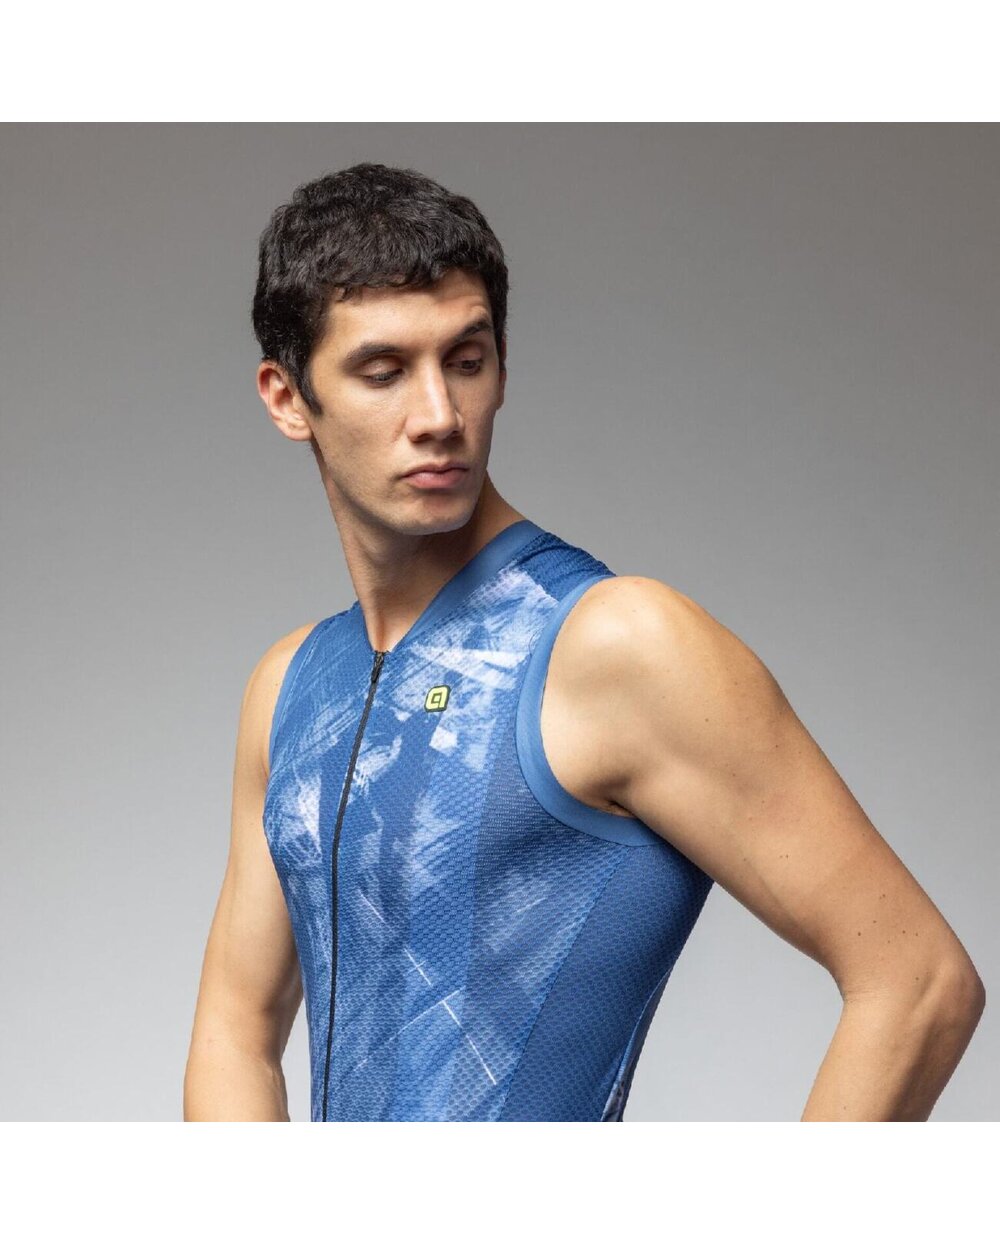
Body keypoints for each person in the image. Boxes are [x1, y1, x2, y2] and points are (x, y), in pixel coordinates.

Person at [183, 162, 984, 1123]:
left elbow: (919, 983)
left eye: (466, 360)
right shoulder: (291, 689)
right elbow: (236, 1030)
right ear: (287, 397)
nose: (438, 416)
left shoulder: (617, 645)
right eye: (384, 371)